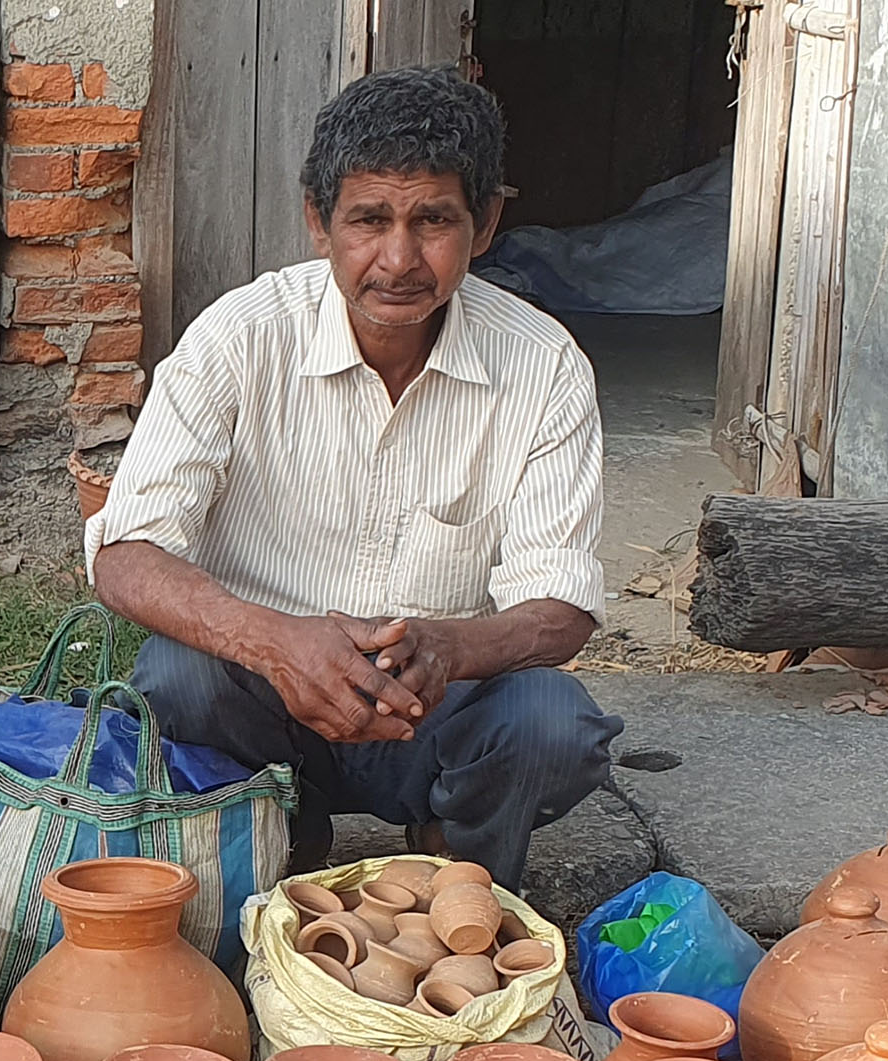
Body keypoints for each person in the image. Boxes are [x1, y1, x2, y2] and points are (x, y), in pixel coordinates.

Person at [86, 65, 621, 890]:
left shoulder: (543, 364)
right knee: (176, 679)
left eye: (433, 220)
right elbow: (125, 554)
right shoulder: (239, 338)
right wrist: (277, 642)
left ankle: (460, 882)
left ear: (484, 224)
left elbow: (562, 608)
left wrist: (449, 646)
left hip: (436, 708)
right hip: (269, 700)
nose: (399, 258)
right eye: (369, 219)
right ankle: (274, 831)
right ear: (318, 220)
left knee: (553, 723)